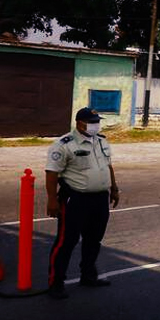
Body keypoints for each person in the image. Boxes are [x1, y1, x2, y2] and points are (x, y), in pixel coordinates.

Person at [44, 107, 120, 300]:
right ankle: (56, 282)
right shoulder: (63, 144)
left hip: (100, 198)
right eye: (92, 122)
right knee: (66, 241)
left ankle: (88, 275)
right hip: (75, 199)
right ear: (79, 123)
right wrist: (52, 199)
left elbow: (108, 165)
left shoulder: (101, 141)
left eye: (97, 122)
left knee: (94, 239)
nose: (96, 125)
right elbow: (52, 173)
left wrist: (114, 188)